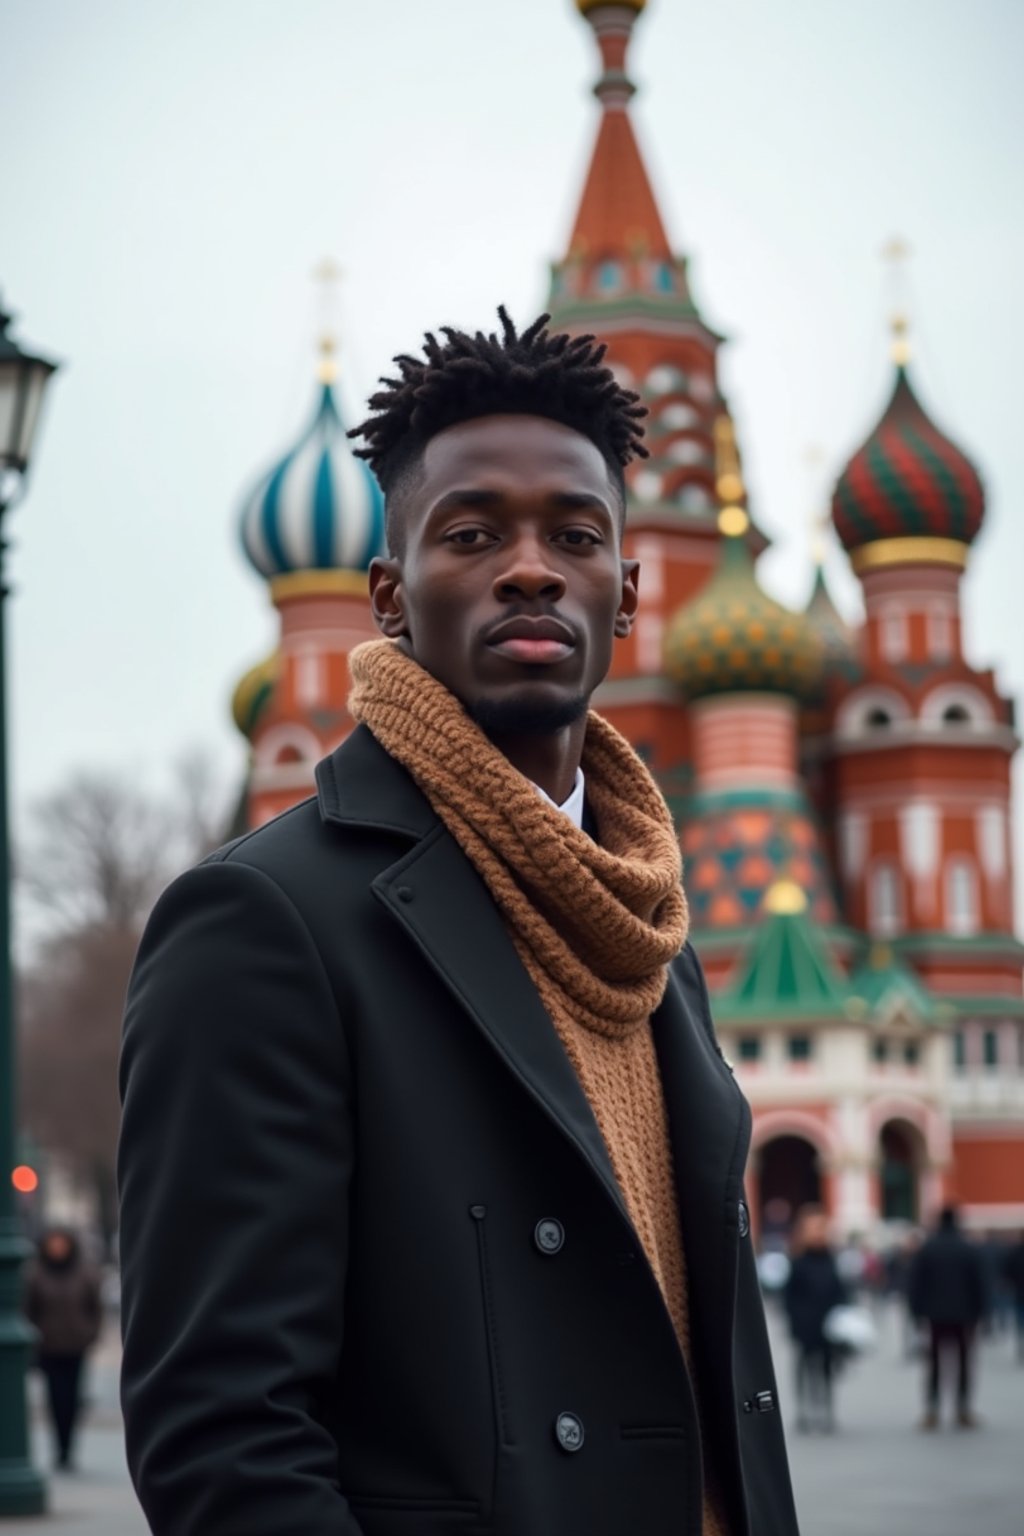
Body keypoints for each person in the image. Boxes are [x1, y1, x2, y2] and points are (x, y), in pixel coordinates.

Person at [119, 309, 800, 1535]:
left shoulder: (649, 931)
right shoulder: (270, 921)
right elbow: (224, 1436)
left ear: (629, 594)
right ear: (389, 594)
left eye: (575, 536)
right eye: (473, 532)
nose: (531, 567)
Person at [23, 1225, 103, 1470]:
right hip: (48, 1347)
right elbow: (28, 1309)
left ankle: (69, 1448)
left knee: (72, 1397)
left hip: (76, 1346)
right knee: (55, 1397)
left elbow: (95, 1307)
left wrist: (89, 1335)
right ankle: (59, 1449)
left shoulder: (83, 1272)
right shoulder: (36, 1273)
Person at [908, 1206, 987, 1429]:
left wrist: (915, 1312)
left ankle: (932, 1410)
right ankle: (962, 1409)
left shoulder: (927, 1249)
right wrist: (982, 1313)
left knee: (933, 1364)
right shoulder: (968, 1248)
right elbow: (980, 1284)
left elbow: (915, 1284)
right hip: (965, 1315)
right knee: (963, 1362)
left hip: (934, 1316)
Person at [783, 1207, 846, 1433]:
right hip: (805, 1326)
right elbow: (789, 1297)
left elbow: (840, 1290)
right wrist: (795, 1323)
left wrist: (842, 1316)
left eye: (821, 1228)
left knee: (827, 1370)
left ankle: (827, 1411)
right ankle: (804, 1412)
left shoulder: (831, 1259)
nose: (818, 1233)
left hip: (829, 1326)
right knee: (804, 1369)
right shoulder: (798, 1261)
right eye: (813, 1229)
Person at [1003, 1230, 1024, 1362]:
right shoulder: (1014, 1253)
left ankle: (1021, 1347)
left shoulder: (1015, 1253)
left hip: (1020, 1292)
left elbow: (1008, 1271)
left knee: (1020, 1323)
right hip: (1019, 1291)